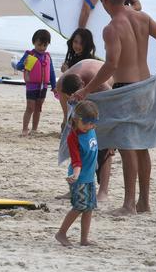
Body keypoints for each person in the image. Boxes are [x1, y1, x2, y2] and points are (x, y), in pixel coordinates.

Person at [72, 0, 156, 215]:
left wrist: (87, 89)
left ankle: (129, 204)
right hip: (147, 87)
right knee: (142, 146)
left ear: (105, 1)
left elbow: (111, 65)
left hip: (127, 89)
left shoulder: (111, 28)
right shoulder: (143, 17)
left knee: (127, 146)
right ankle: (144, 203)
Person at [56, 61, 113, 202]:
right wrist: (66, 122)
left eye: (77, 95)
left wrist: (112, 135)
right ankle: (74, 188)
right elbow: (68, 110)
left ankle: (103, 191)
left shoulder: (99, 82)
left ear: (82, 84)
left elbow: (113, 104)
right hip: (85, 101)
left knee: (104, 147)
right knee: (77, 145)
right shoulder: (61, 84)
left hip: (107, 96)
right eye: (71, 97)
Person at [55, 101, 99, 247]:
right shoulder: (73, 137)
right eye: (86, 122)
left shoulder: (91, 130)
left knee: (89, 208)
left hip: (89, 177)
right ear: (76, 119)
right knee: (79, 207)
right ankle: (61, 233)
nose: (90, 126)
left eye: (93, 122)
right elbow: (76, 159)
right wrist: (76, 174)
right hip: (78, 177)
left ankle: (84, 239)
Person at [15, 29, 57, 136]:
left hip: (43, 87)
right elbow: (18, 66)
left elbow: (51, 72)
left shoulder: (47, 56)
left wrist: (54, 86)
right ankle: (25, 129)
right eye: (39, 45)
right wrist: (24, 64)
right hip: (32, 86)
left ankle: (34, 129)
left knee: (38, 108)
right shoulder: (30, 55)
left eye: (45, 45)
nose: (42, 48)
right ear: (34, 42)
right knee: (30, 107)